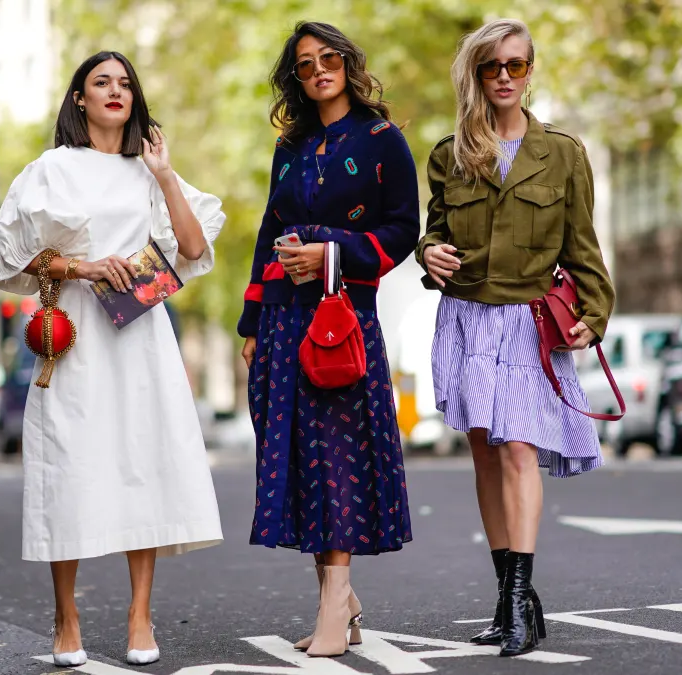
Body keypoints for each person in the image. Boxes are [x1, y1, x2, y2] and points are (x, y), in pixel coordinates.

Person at [0, 50, 226, 668]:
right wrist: (81, 265)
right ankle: (66, 615)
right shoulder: (48, 171)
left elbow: (194, 250)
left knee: (140, 462)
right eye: (101, 82)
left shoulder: (147, 171)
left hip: (141, 336)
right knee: (70, 468)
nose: (115, 91)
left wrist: (166, 175)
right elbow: (3, 262)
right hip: (73, 336)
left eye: (125, 83)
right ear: (80, 99)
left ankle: (140, 613)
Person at [418, 19, 615, 658]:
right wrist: (430, 255)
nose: (504, 77)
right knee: (483, 452)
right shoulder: (450, 154)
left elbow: (583, 247)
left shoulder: (563, 154)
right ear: (474, 75)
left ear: (530, 71)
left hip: (528, 322)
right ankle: (511, 598)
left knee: (518, 451)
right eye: (491, 67)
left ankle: (518, 603)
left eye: (516, 66)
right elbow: (434, 231)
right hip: (469, 317)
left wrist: (597, 310)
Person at [238, 21, 419, 659]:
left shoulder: (381, 139)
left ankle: (332, 606)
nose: (319, 69)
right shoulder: (290, 147)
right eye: (307, 63)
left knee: (338, 457)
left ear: (347, 63)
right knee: (304, 460)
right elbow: (269, 230)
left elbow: (403, 231)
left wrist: (331, 251)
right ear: (297, 76)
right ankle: (340, 599)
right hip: (284, 321)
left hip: (340, 321)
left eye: (329, 58)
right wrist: (252, 323)